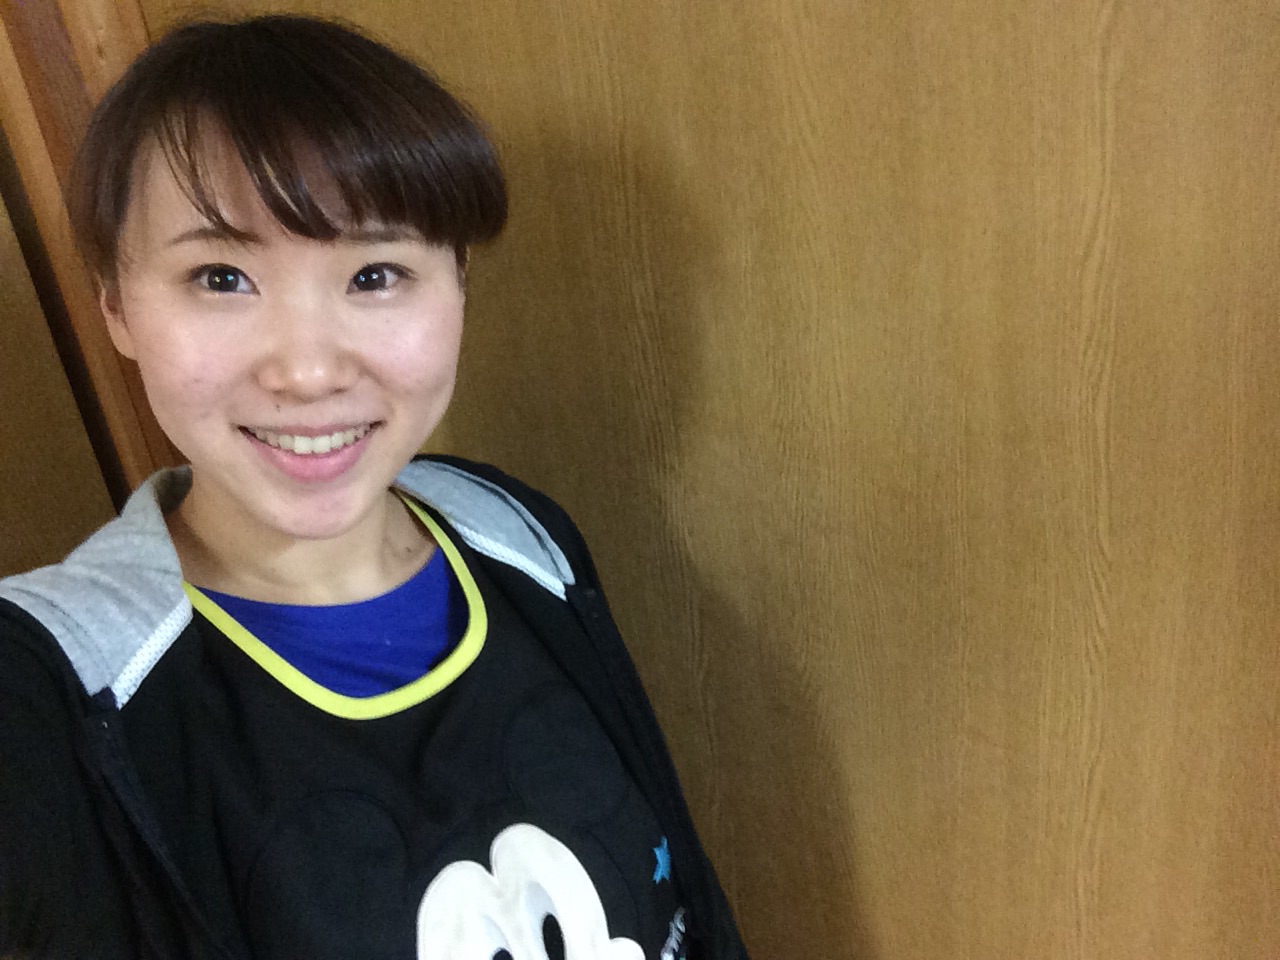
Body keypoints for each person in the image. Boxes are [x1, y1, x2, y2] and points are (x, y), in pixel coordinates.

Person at [0, 14, 747, 960]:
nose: (307, 371)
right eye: (221, 276)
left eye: (376, 274)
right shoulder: (43, 692)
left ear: (459, 283)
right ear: (115, 303)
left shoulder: (516, 532)